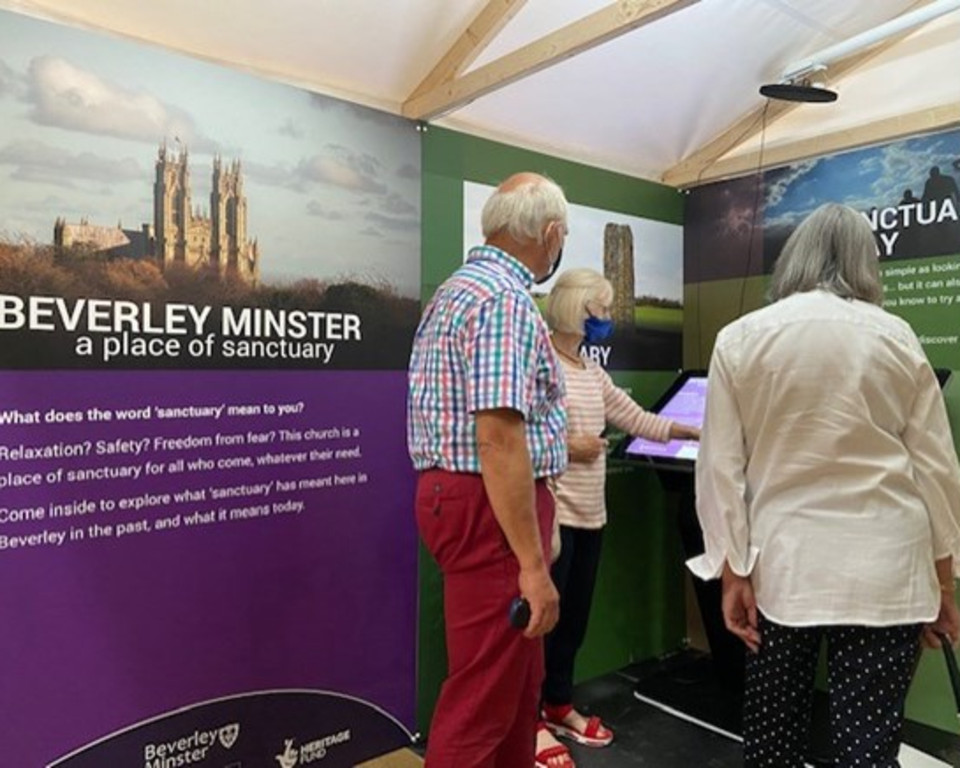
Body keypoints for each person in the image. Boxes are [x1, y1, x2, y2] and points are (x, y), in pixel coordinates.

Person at [689, 202, 960, 767]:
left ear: (793, 258)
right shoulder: (898, 337)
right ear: (867, 262)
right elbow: (936, 470)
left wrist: (732, 569)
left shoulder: (741, 338)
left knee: (774, 736)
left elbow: (719, 469)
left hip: (783, 569)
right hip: (887, 571)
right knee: (868, 745)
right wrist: (942, 583)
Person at [407, 172, 569, 768]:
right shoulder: (504, 300)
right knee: (482, 700)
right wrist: (531, 563)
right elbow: (499, 438)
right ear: (551, 233)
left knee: (513, 686)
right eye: (563, 236)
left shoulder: (456, 291)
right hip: (490, 505)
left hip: (470, 500)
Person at [536, 268, 700, 768]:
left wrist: (695, 432)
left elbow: (636, 418)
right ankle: (527, 721)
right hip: (553, 517)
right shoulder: (540, 362)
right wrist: (573, 445)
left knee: (572, 624)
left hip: (590, 516)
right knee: (540, 628)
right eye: (602, 310)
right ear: (578, 309)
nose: (607, 319)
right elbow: (515, 434)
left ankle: (557, 704)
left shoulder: (589, 370)